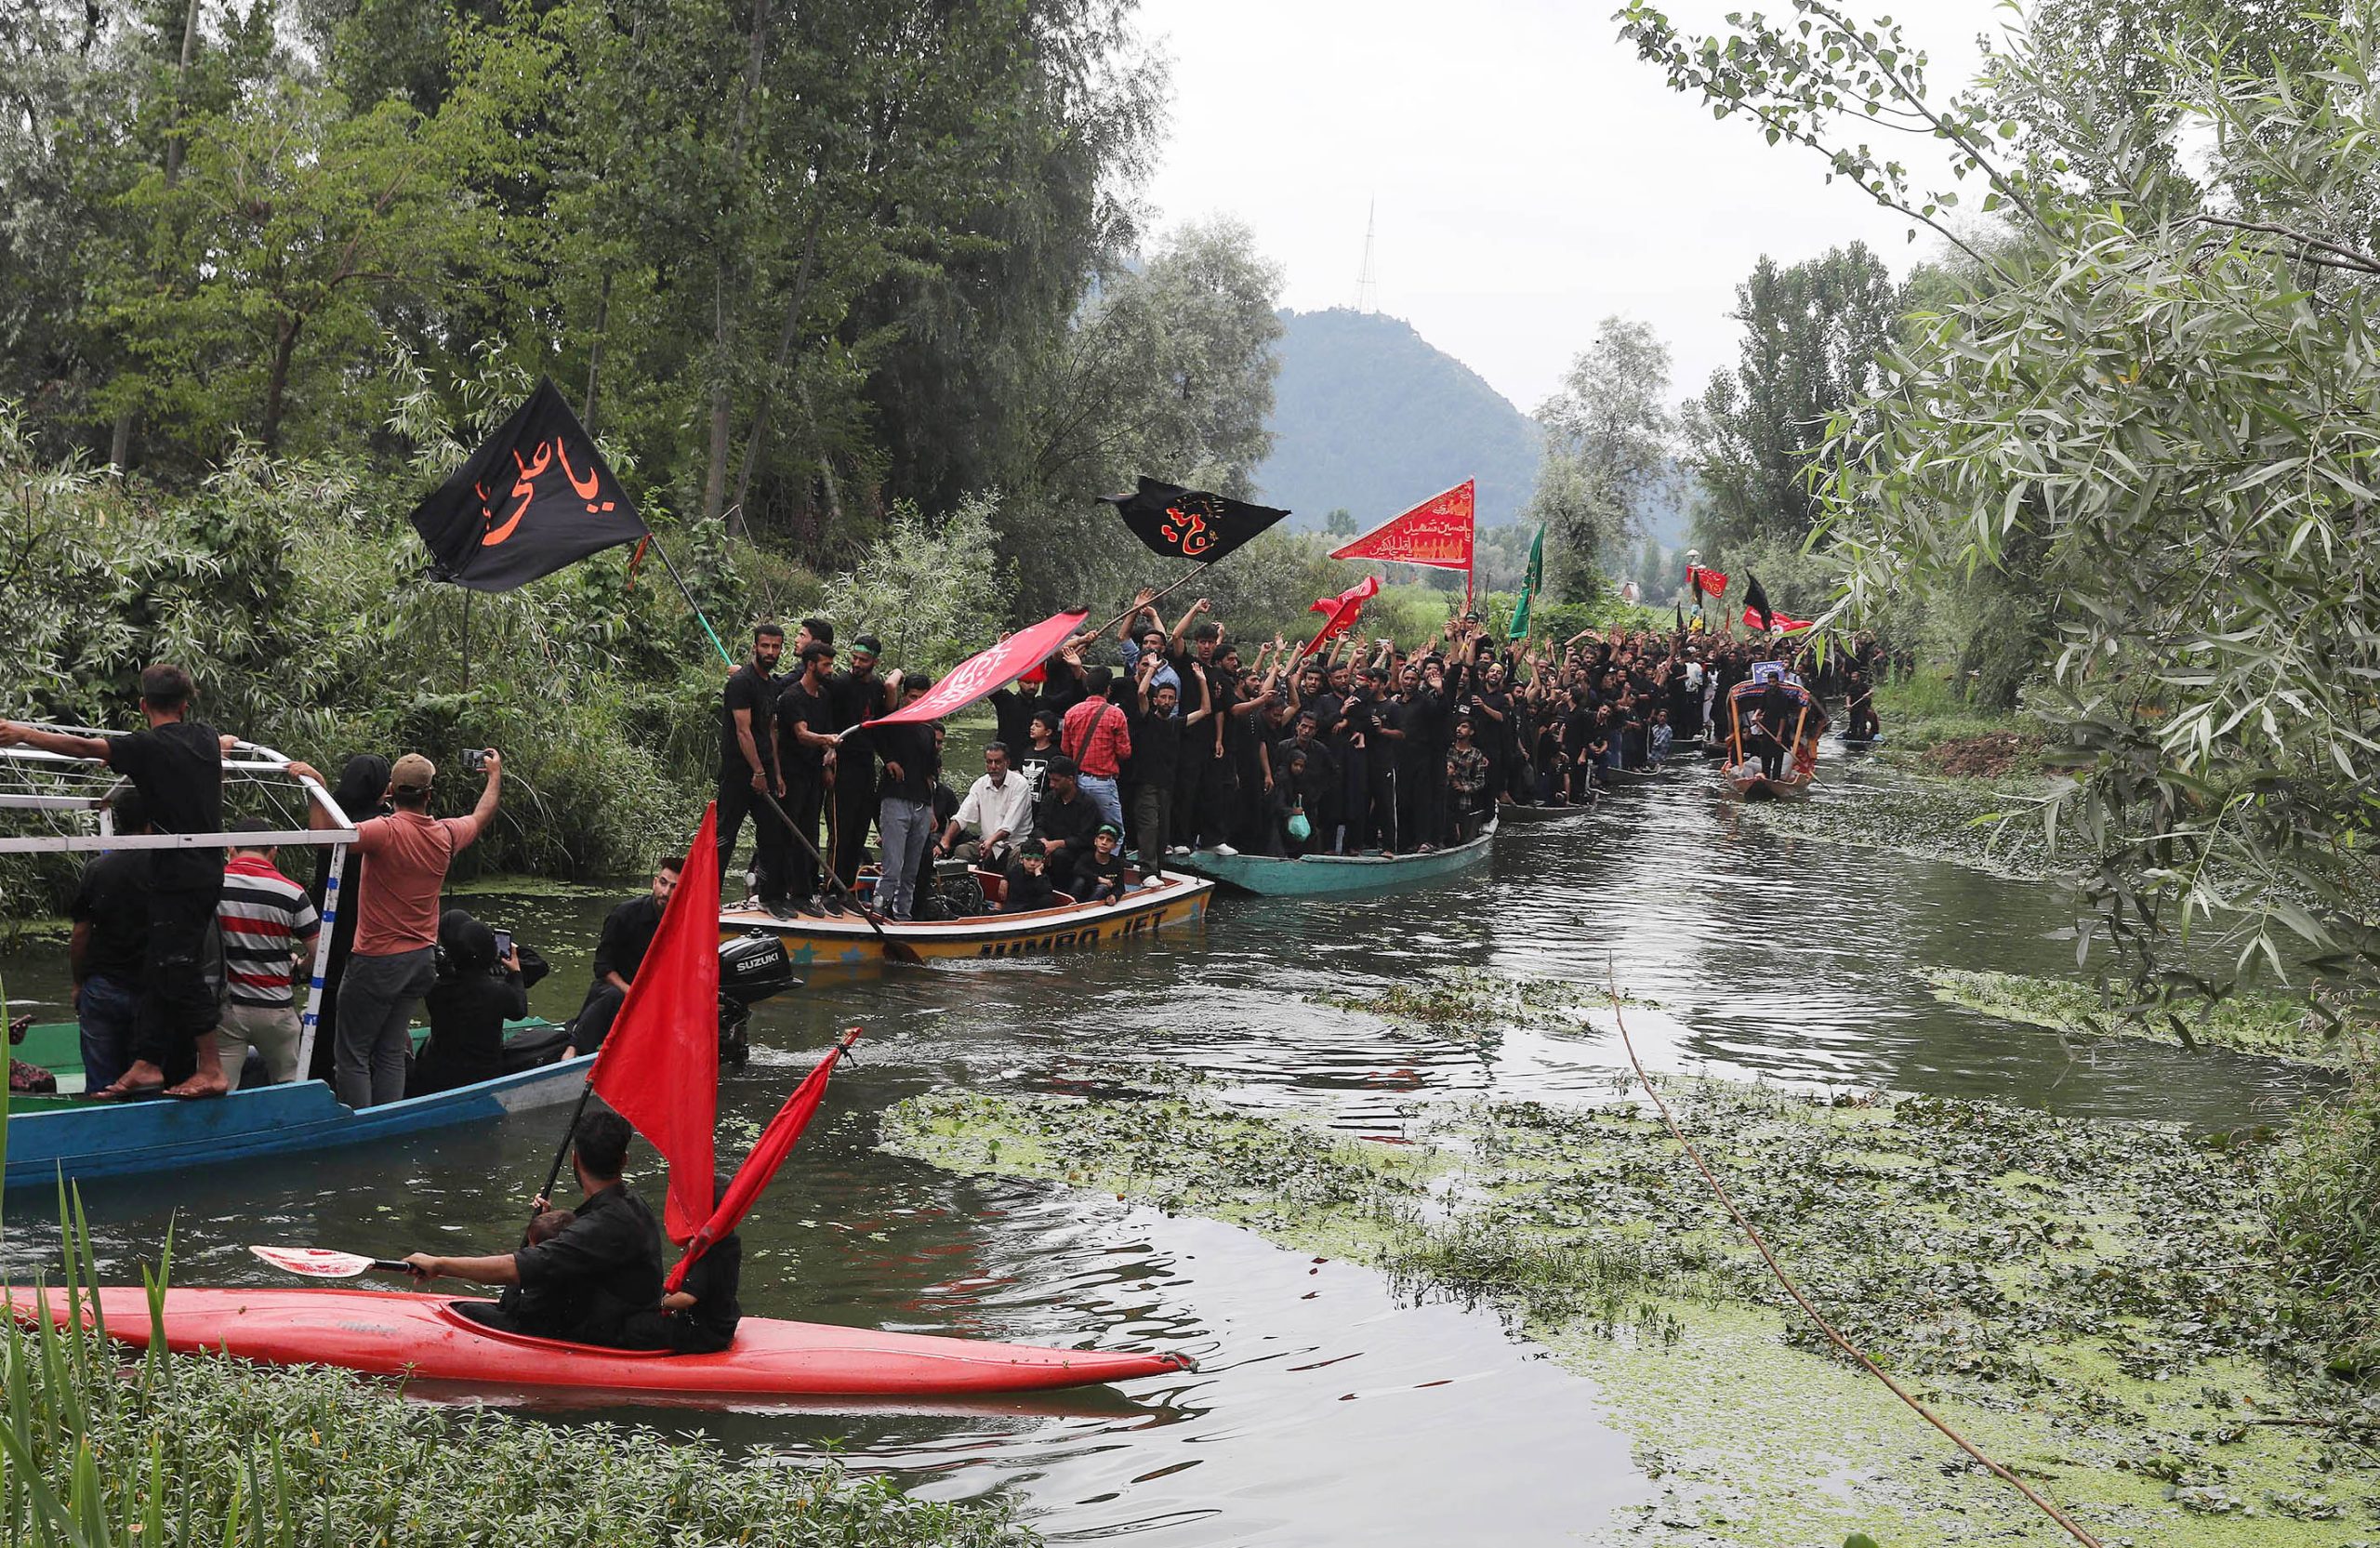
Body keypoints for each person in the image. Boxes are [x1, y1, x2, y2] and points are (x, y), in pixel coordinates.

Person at [1, 663, 232, 1098]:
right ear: (185, 704)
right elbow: (219, 743)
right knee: (161, 965)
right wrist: (228, 742)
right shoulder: (203, 737)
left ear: (143, 705)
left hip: (183, 874)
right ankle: (147, 1062)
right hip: (199, 871)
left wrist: (24, 733)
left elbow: (81, 747)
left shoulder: (145, 747)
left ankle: (212, 1068)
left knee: (177, 967)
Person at [289, 748, 500, 1108]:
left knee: (352, 1055)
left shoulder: (382, 832)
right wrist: (495, 776)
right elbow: (481, 815)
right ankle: (386, 1116)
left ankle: (361, 1124)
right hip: (420, 962)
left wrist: (317, 788)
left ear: (391, 791)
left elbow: (325, 839)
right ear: (429, 794)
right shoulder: (446, 834)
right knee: (389, 1050)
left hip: (376, 962)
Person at [404, 1108, 664, 1348]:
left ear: (575, 1159)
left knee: (467, 1313)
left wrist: (439, 1264)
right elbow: (587, 1245)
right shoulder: (631, 1204)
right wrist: (547, 1226)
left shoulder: (604, 1224)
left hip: (607, 1334)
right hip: (615, 1315)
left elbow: (514, 1268)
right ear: (625, 1160)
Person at [215, 818, 323, 1089]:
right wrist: (299, 967)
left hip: (228, 1010)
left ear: (231, 848)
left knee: (221, 1089)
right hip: (276, 1009)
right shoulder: (293, 893)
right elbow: (319, 952)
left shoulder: (212, 888)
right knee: (288, 1085)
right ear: (273, 851)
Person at [305, 753, 390, 1083]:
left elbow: (319, 833)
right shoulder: (379, 823)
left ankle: (317, 1073)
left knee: (326, 1002)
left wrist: (318, 789)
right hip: (363, 931)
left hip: (329, 929)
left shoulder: (335, 814)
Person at [66, 788, 151, 1094]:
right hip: (151, 988)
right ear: (151, 824)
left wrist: (78, 983)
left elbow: (80, 934)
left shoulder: (98, 869)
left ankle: (102, 1127)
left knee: (101, 1081)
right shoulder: (168, 869)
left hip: (104, 987)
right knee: (148, 1078)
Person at [564, 856, 681, 1059]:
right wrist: (631, 992)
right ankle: (573, 1050)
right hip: (617, 989)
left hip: (657, 999)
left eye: (674, 887)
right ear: (654, 882)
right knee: (612, 996)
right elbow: (602, 967)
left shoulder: (683, 924)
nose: (665, 893)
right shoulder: (625, 915)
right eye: (663, 883)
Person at [618, 1172, 742, 1355]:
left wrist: (662, 1304)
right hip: (723, 1325)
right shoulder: (730, 1240)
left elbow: (686, 1298)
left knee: (634, 1326)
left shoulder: (708, 1251)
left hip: (702, 1335)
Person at [409, 909, 526, 1096]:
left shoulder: (436, 989)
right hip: (483, 1077)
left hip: (439, 1076)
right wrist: (516, 973)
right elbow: (519, 1010)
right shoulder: (498, 992)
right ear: (491, 953)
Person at [718, 624, 787, 908]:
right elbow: (743, 732)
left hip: (766, 771)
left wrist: (776, 773)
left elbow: (771, 730)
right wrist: (757, 772)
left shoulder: (771, 684)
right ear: (755, 647)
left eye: (776, 647)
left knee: (773, 835)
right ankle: (710, 898)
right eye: (765, 646)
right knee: (725, 836)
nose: (770, 652)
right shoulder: (741, 683)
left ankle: (769, 897)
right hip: (739, 773)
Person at [774, 640, 840, 914]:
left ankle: (804, 892)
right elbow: (802, 734)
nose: (830, 669)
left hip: (814, 774)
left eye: (831, 664)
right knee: (791, 834)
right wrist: (827, 739)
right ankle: (781, 892)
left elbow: (824, 736)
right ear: (811, 665)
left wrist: (828, 761)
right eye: (826, 664)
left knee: (810, 834)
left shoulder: (823, 696)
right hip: (792, 775)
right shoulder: (792, 697)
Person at [826, 635, 892, 897]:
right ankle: (831, 889)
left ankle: (847, 889)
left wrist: (889, 758)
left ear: (875, 661)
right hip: (843, 764)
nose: (856, 663)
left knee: (859, 830)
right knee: (840, 831)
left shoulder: (877, 687)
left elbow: (879, 727)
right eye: (854, 657)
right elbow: (829, 723)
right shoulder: (840, 685)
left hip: (865, 765)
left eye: (863, 660)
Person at [871, 675, 937, 921]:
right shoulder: (892, 722)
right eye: (912, 696)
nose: (916, 701)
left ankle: (903, 915)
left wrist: (930, 809)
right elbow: (890, 685)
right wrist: (889, 759)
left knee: (911, 869)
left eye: (922, 697)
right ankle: (879, 909)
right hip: (895, 800)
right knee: (893, 866)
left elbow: (931, 774)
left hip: (920, 804)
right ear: (904, 696)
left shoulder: (929, 731)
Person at [936, 742, 1034, 867]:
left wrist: (990, 841)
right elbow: (961, 817)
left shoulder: (1020, 784)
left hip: (1014, 844)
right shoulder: (980, 784)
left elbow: (1008, 828)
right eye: (989, 762)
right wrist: (945, 841)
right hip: (987, 843)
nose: (993, 767)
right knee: (962, 851)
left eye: (997, 762)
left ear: (1007, 763)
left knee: (1018, 856)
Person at [1058, 666, 1131, 829]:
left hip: (1078, 781)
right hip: (1104, 781)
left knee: (1080, 829)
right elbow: (1124, 752)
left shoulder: (1072, 713)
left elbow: (1065, 749)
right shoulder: (1116, 714)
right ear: (1108, 689)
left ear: (1088, 687)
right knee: (1114, 831)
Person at [1033, 755, 1098, 873]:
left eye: (1056, 781)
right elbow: (1039, 825)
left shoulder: (1087, 804)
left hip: (1075, 853)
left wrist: (1058, 844)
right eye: (1050, 780)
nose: (1052, 785)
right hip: (1047, 846)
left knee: (1060, 856)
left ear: (1070, 779)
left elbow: (1086, 839)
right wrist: (1043, 842)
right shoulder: (1049, 798)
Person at [1447, 716, 1489, 842]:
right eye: (1458, 726)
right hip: (1444, 796)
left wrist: (1464, 788)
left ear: (1471, 732)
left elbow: (1480, 781)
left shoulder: (1476, 754)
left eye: (1464, 727)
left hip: (1463, 800)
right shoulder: (1448, 749)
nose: (1459, 729)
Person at [1070, 823, 1129, 903]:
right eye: (1101, 838)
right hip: (1080, 895)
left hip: (1097, 900)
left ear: (1114, 846)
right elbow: (1077, 869)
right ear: (1095, 841)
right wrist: (1099, 879)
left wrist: (1114, 896)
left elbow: (1120, 887)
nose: (1104, 843)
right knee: (1080, 881)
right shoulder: (1086, 857)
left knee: (1103, 888)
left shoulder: (1117, 863)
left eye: (1109, 840)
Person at [999, 839, 1058, 912]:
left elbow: (1046, 893)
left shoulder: (1043, 878)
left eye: (1037, 860)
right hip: (1010, 910)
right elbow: (1007, 874)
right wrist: (1004, 879)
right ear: (1022, 859)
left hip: (1029, 913)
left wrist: (1038, 873)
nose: (1032, 863)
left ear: (1042, 861)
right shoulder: (1016, 869)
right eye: (1028, 859)